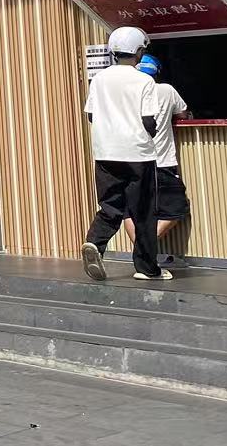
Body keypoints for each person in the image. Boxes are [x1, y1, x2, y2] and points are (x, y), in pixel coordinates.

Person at [82, 25, 164, 282]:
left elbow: (91, 115)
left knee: (110, 206)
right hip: (138, 154)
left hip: (105, 153)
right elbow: (148, 120)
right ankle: (147, 268)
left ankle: (95, 242)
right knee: (143, 211)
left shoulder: (99, 79)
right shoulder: (144, 80)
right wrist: (150, 133)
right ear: (138, 51)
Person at [127, 54, 191, 269]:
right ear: (157, 74)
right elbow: (183, 114)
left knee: (130, 209)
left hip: (130, 161)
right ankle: (144, 247)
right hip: (161, 162)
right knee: (176, 208)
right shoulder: (166, 90)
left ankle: (141, 250)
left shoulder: (128, 93)